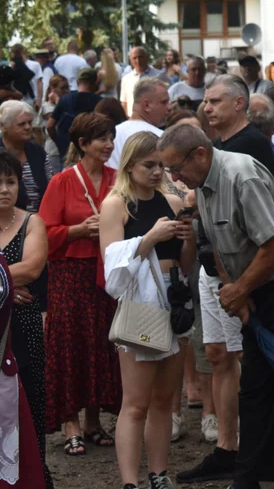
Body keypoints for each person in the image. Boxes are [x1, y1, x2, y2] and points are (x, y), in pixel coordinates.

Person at [158, 124, 274, 487]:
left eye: (176, 168)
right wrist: (238, 292)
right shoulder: (202, 185)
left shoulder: (241, 175)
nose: (174, 177)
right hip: (255, 284)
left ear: (200, 154)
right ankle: (250, 476)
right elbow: (220, 246)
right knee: (255, 386)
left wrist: (241, 289)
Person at [100, 132, 194, 489]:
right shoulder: (116, 205)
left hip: (174, 303)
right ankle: (130, 481)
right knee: (136, 402)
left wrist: (186, 240)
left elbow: (185, 263)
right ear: (130, 166)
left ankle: (159, 473)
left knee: (165, 401)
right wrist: (149, 238)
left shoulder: (171, 202)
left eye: (161, 165)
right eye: (148, 165)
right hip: (141, 304)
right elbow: (111, 268)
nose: (157, 172)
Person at [38, 112, 121, 456]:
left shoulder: (119, 178)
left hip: (107, 272)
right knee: (69, 344)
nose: (109, 144)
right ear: (82, 144)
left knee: (100, 344)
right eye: (101, 138)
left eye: (111, 137)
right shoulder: (62, 181)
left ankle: (93, 421)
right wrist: (77, 231)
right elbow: (42, 233)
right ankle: (70, 423)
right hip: (70, 274)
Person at [0, 149, 53, 488]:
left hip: (25, 325)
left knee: (30, 406)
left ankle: (36, 477)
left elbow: (32, 268)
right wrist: (5, 286)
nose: (5, 189)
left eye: (11, 181)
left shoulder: (32, 221)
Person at [204, 74, 274, 176]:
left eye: (215, 101)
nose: (206, 109)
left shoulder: (250, 143)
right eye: (205, 102)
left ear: (238, 103)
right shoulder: (216, 144)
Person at [0, 100, 52, 212]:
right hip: (5, 221)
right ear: (3, 126)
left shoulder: (37, 151)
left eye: (30, 122)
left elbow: (51, 186)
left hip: (40, 220)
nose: (27, 127)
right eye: (22, 124)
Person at [107, 78, 169, 170]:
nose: (170, 107)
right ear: (146, 105)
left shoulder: (110, 136)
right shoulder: (162, 138)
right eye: (164, 102)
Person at [50, 67, 104, 160]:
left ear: (78, 82)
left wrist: (59, 143)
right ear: (95, 82)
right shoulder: (100, 102)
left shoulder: (65, 99)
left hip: (66, 151)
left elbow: (49, 126)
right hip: (90, 152)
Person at [120, 48, 166, 116]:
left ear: (146, 57)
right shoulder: (126, 79)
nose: (138, 60)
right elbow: (124, 102)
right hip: (133, 120)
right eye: (134, 58)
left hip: (154, 119)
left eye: (140, 57)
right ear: (130, 60)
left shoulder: (159, 76)